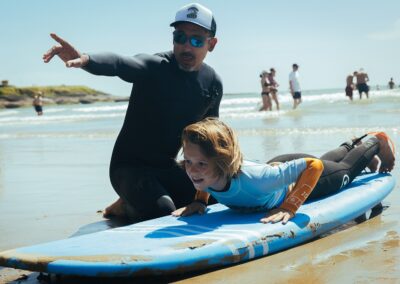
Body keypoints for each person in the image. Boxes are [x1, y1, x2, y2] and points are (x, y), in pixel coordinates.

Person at [43, 3, 223, 222]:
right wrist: (86, 59)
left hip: (167, 168)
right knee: (163, 210)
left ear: (211, 44)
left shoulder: (212, 83)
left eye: (196, 40)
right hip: (129, 168)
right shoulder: (155, 67)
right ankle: (127, 204)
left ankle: (137, 198)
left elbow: (209, 143)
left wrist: (203, 195)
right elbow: (120, 63)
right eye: (180, 37)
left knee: (218, 199)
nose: (186, 47)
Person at [172, 118, 395, 224]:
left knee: (342, 172)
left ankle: (377, 140)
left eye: (200, 164)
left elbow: (313, 167)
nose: (192, 170)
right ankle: (349, 145)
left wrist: (290, 205)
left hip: (295, 179)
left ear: (222, 161)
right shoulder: (206, 175)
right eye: (188, 161)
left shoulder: (257, 180)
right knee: (327, 161)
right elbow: (205, 181)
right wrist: (200, 201)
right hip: (277, 169)